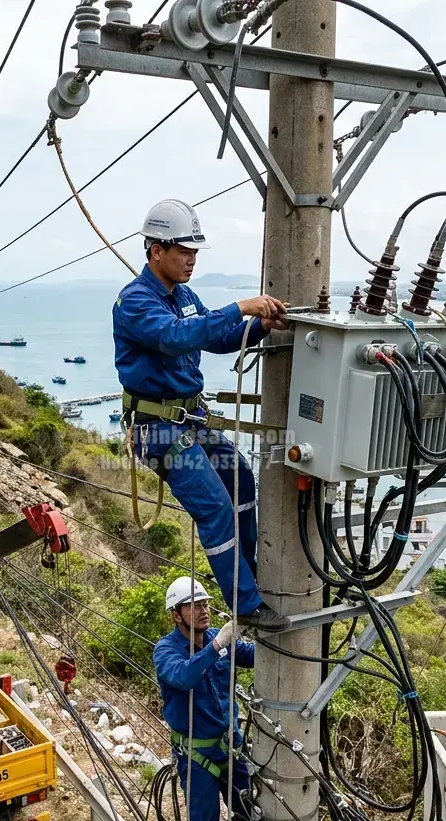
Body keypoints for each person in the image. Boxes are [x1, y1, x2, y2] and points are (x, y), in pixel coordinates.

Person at [113, 199, 290, 632]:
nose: (191, 259)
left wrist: (259, 328)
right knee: (214, 508)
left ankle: (249, 577)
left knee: (242, 480)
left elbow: (215, 335)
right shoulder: (135, 302)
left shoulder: (184, 295)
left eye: (194, 252)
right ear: (156, 250)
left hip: (188, 420)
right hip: (157, 429)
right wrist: (242, 307)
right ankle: (244, 603)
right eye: (183, 251)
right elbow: (177, 337)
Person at [154, 576, 253, 821]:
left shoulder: (218, 639)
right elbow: (183, 677)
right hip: (197, 760)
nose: (203, 610)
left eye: (205, 604)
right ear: (176, 614)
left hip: (232, 750)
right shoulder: (166, 650)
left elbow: (253, 656)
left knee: (251, 814)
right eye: (193, 606)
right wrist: (216, 646)